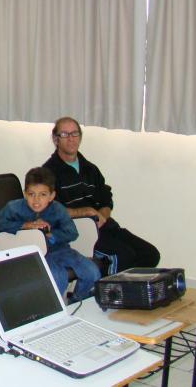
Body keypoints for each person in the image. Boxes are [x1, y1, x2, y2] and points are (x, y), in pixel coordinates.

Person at [43, 117, 160, 274]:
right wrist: (85, 212)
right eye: (64, 134)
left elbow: (106, 198)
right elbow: (51, 209)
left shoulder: (90, 169)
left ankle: (132, 294)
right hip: (77, 232)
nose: (71, 139)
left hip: (104, 227)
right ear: (56, 139)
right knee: (123, 256)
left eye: (75, 133)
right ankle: (109, 295)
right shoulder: (47, 173)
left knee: (150, 254)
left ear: (80, 137)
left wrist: (102, 215)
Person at [0, 167, 101, 301]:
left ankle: (76, 299)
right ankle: (53, 309)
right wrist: (24, 226)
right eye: (31, 194)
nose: (36, 200)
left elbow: (72, 233)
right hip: (35, 254)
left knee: (92, 272)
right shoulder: (14, 208)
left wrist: (52, 234)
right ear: (25, 194)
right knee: (58, 277)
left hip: (60, 250)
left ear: (51, 196)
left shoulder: (57, 209)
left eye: (43, 194)